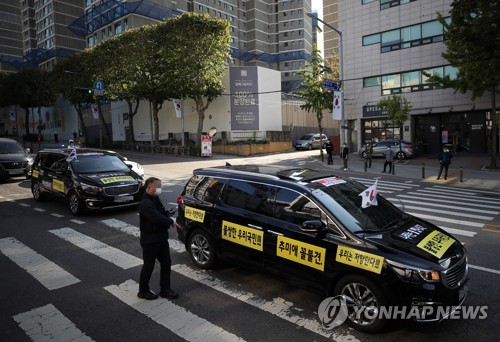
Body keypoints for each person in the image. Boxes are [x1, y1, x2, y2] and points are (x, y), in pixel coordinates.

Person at [138, 177, 180, 300]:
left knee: (166, 263)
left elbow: (160, 213)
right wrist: (169, 221)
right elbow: (156, 218)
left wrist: (168, 215)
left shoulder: (155, 198)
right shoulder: (145, 203)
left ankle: (165, 289)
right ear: (149, 187)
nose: (159, 189)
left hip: (161, 237)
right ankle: (143, 291)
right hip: (150, 240)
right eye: (158, 186)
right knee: (149, 265)